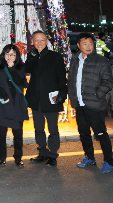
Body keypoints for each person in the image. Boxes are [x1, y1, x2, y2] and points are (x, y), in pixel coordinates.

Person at [69, 32, 113, 174]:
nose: (88, 46)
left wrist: (97, 94)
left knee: (100, 133)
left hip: (95, 104)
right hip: (79, 103)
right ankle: (90, 157)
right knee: (84, 133)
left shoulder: (101, 61)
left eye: (90, 43)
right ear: (78, 45)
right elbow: (72, 80)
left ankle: (108, 161)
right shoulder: (75, 60)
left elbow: (108, 82)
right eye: (85, 43)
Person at [26, 30, 67, 167]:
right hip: (36, 99)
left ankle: (53, 155)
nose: (39, 43)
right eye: (36, 40)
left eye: (42, 40)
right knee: (38, 128)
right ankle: (42, 152)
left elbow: (61, 77)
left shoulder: (55, 57)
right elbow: (27, 69)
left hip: (51, 99)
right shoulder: (32, 56)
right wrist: (31, 57)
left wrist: (62, 94)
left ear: (47, 41)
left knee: (53, 128)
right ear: (33, 42)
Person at [0, 44, 28, 167]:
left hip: (17, 104)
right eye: (7, 54)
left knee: (18, 134)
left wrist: (12, 69)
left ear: (16, 56)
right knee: (1, 134)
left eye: (12, 54)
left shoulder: (20, 67)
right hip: (3, 104)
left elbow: (22, 83)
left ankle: (18, 157)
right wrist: (4, 96)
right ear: (3, 55)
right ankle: (2, 157)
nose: (9, 57)